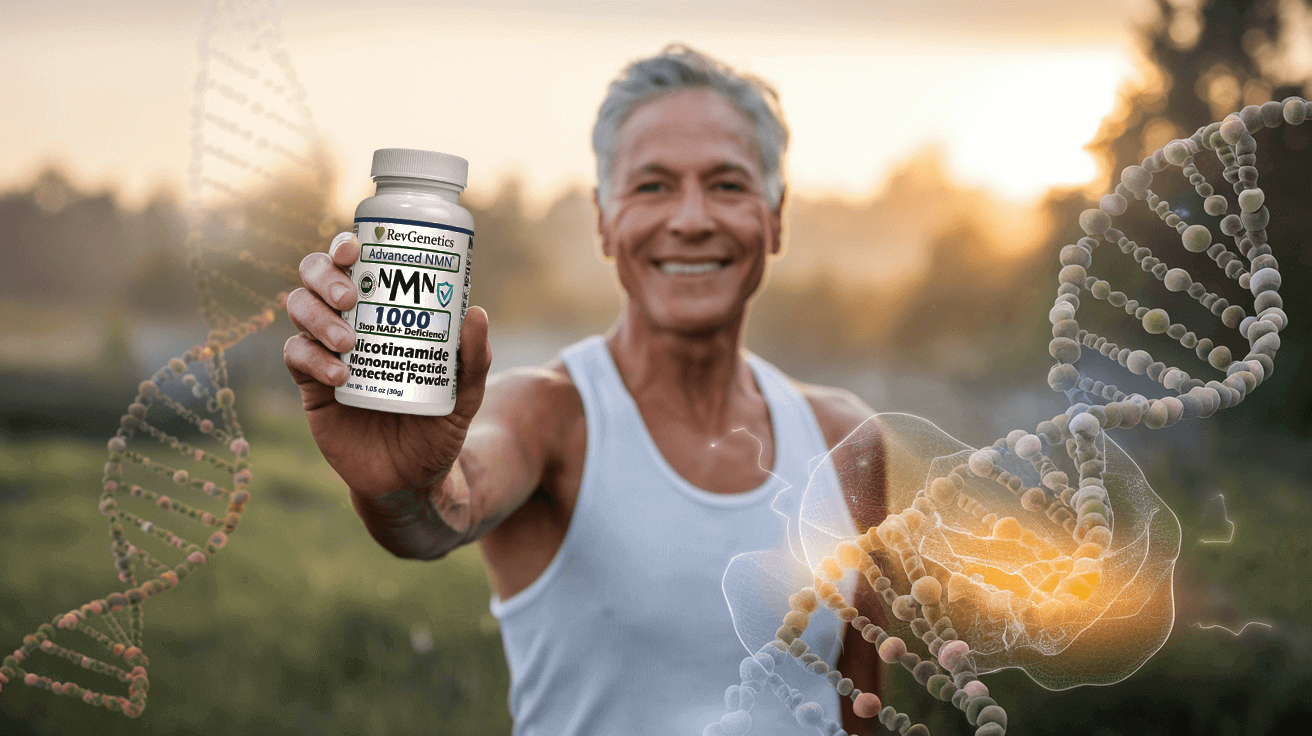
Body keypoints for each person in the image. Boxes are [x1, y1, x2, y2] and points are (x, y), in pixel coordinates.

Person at [284, 45, 885, 736]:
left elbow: (860, 708)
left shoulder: (850, 439)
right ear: (603, 218)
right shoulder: (546, 413)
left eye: (726, 184)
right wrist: (398, 484)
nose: (691, 219)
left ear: (776, 216)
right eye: (652, 186)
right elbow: (440, 510)